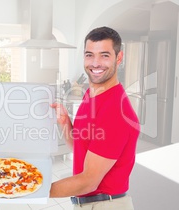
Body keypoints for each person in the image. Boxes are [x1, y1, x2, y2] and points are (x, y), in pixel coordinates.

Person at [50, 26, 140, 210]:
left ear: (119, 57)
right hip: (88, 204)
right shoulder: (91, 95)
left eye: (104, 55)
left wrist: (32, 189)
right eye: (89, 54)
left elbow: (88, 181)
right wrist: (66, 123)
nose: (95, 63)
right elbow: (80, 149)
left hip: (107, 205)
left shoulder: (116, 111)